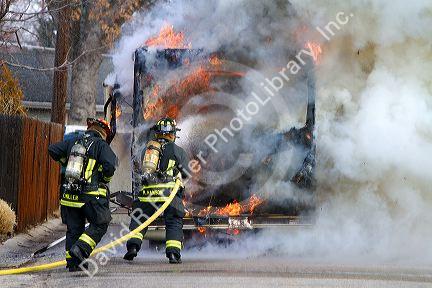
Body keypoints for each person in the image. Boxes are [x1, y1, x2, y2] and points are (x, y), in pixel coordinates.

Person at [48, 118, 117, 272]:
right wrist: (104, 179)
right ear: (104, 132)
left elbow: (52, 149)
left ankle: (73, 263)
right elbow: (110, 165)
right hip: (89, 195)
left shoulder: (73, 140)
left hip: (69, 196)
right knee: (101, 223)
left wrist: (66, 162)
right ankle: (81, 249)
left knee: (74, 229)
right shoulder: (100, 144)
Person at [124, 117, 189, 264]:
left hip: (148, 195)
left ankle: (133, 248)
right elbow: (186, 173)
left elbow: (140, 169)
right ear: (172, 133)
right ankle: (173, 254)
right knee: (173, 222)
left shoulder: (147, 150)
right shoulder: (178, 150)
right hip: (169, 195)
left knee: (140, 219)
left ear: (157, 133)